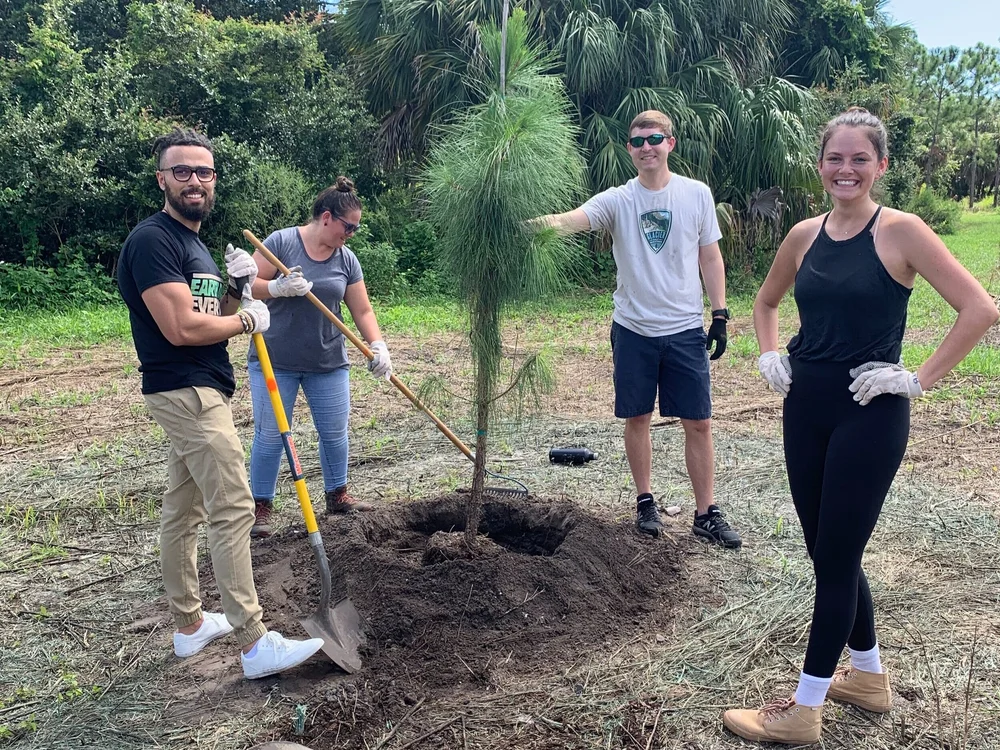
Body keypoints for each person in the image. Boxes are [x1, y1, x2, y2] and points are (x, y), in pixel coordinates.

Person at [723, 108, 999, 744]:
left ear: (881, 166)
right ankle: (869, 679)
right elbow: (765, 301)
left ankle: (803, 709)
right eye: (835, 158)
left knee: (838, 556)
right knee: (828, 551)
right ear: (820, 164)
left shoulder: (902, 232)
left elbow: (979, 308)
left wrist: (917, 378)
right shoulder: (803, 234)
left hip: (870, 410)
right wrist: (769, 350)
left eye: (859, 159)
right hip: (806, 406)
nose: (845, 170)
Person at [117, 127, 327, 679]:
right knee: (233, 505)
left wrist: (244, 290)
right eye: (181, 171)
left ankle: (190, 626)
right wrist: (245, 319)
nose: (194, 181)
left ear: (214, 180)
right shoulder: (152, 241)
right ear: (161, 178)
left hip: (200, 386)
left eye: (203, 172)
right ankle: (256, 643)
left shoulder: (193, 244)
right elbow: (184, 327)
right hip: (185, 387)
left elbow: (211, 311)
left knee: (183, 511)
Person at [531, 110, 742, 548]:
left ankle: (706, 513)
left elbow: (709, 257)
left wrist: (719, 313)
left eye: (656, 138)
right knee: (638, 417)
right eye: (639, 140)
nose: (647, 146)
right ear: (630, 149)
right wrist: (515, 225)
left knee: (699, 422)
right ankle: (645, 501)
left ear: (671, 143)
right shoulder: (618, 200)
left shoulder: (695, 194)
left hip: (684, 328)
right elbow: (569, 220)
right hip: (633, 328)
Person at [244, 177, 392, 539]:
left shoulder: (347, 259)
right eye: (349, 226)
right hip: (274, 359)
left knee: (334, 433)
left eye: (355, 227)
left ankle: (337, 495)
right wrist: (277, 287)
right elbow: (244, 286)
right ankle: (260, 507)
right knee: (269, 436)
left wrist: (378, 345)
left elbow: (363, 310)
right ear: (327, 217)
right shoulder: (281, 243)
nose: (352, 233)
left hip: (328, 363)